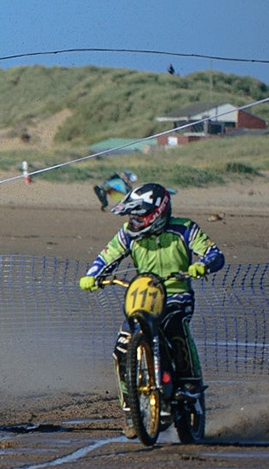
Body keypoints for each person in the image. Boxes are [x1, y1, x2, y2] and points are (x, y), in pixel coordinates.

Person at [79, 182, 225, 436]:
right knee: (122, 346)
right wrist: (92, 276)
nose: (135, 221)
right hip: (144, 296)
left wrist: (202, 265)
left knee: (175, 325)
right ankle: (131, 410)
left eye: (140, 215)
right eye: (132, 216)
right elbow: (106, 257)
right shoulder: (127, 233)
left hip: (177, 295)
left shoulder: (185, 229)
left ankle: (190, 384)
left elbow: (214, 253)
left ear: (157, 213)